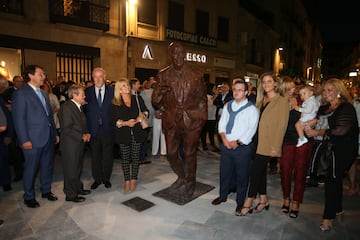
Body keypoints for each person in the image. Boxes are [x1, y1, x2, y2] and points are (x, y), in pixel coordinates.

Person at [152, 42, 207, 197]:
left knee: (190, 153)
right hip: (172, 120)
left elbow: (202, 99)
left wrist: (202, 119)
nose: (178, 56)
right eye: (175, 53)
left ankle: (190, 182)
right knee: (171, 153)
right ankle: (182, 176)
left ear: (185, 54)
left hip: (192, 120)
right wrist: (159, 93)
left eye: (181, 53)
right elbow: (156, 102)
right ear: (170, 55)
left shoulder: (197, 74)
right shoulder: (163, 74)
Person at [305, 78, 358, 231]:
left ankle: (328, 217)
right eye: (324, 90)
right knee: (334, 179)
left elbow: (340, 131)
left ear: (339, 92)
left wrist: (317, 131)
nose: (326, 93)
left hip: (343, 149)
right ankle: (338, 208)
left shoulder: (346, 107)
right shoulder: (324, 108)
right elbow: (317, 120)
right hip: (328, 147)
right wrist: (307, 124)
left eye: (330, 90)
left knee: (332, 180)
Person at [239, 72, 289, 216]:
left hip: (269, 143)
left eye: (269, 81)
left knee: (254, 172)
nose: (266, 84)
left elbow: (282, 126)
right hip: (256, 141)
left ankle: (249, 200)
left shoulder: (282, 101)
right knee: (260, 172)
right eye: (264, 82)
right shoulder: (261, 100)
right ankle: (263, 200)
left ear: (275, 83)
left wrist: (276, 146)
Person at [12, 65, 59, 208]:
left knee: (47, 166)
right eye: (41, 74)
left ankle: (46, 190)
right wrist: (24, 139)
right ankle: (29, 196)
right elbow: (19, 119)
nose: (44, 77)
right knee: (31, 169)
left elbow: (49, 116)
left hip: (47, 137)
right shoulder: (21, 93)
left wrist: (55, 134)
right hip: (32, 139)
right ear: (31, 76)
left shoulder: (44, 93)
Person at [211, 79, 259, 215]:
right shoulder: (228, 106)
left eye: (240, 90)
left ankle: (240, 202)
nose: (236, 92)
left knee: (242, 176)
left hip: (242, 148)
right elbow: (222, 123)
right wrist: (224, 139)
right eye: (235, 89)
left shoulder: (252, 109)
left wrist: (237, 142)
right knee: (224, 172)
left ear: (246, 92)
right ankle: (223, 195)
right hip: (226, 145)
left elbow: (251, 129)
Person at [278, 76, 315, 218]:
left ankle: (296, 201)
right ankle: (286, 198)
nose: (293, 90)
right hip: (287, 140)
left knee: (300, 171)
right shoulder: (278, 102)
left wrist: (312, 122)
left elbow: (315, 114)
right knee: (285, 170)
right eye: (290, 87)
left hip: (303, 140)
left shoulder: (302, 99)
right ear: (283, 88)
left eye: (294, 87)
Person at [110, 78, 149, 192]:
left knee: (136, 158)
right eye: (123, 86)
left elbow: (146, 111)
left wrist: (142, 115)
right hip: (123, 134)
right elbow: (113, 120)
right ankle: (127, 180)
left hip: (137, 132)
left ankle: (134, 179)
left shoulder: (137, 98)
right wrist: (125, 123)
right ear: (119, 89)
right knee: (125, 158)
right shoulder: (115, 102)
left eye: (127, 85)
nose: (127, 87)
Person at [58, 85, 91, 202]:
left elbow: (82, 124)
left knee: (77, 169)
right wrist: (81, 136)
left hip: (78, 144)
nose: (84, 96)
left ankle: (78, 189)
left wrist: (87, 133)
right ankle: (70, 194)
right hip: (70, 145)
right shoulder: (66, 107)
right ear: (74, 95)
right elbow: (67, 128)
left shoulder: (78, 106)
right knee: (70, 171)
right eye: (82, 94)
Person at [84, 67, 114, 190]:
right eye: (95, 77)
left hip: (108, 129)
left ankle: (106, 178)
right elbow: (83, 113)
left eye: (100, 76)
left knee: (108, 156)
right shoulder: (87, 92)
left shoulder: (112, 91)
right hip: (93, 130)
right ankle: (97, 179)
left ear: (104, 77)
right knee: (95, 156)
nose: (98, 79)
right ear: (92, 78)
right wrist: (85, 130)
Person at [2, 75, 25, 182]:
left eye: (21, 82)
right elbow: (7, 108)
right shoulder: (7, 93)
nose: (20, 83)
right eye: (17, 81)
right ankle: (18, 173)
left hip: (23, 125)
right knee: (14, 151)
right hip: (11, 125)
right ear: (14, 82)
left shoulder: (26, 92)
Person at [0, 75, 12, 192]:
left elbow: (7, 120)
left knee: (3, 160)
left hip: (2, 136)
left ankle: (6, 182)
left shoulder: (1, 100)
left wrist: (9, 135)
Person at [200, 82, 218, 151]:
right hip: (206, 116)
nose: (215, 89)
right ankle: (204, 145)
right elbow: (209, 104)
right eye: (214, 88)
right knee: (204, 131)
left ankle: (212, 144)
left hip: (212, 116)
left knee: (211, 132)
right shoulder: (205, 96)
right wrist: (215, 96)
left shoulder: (213, 96)